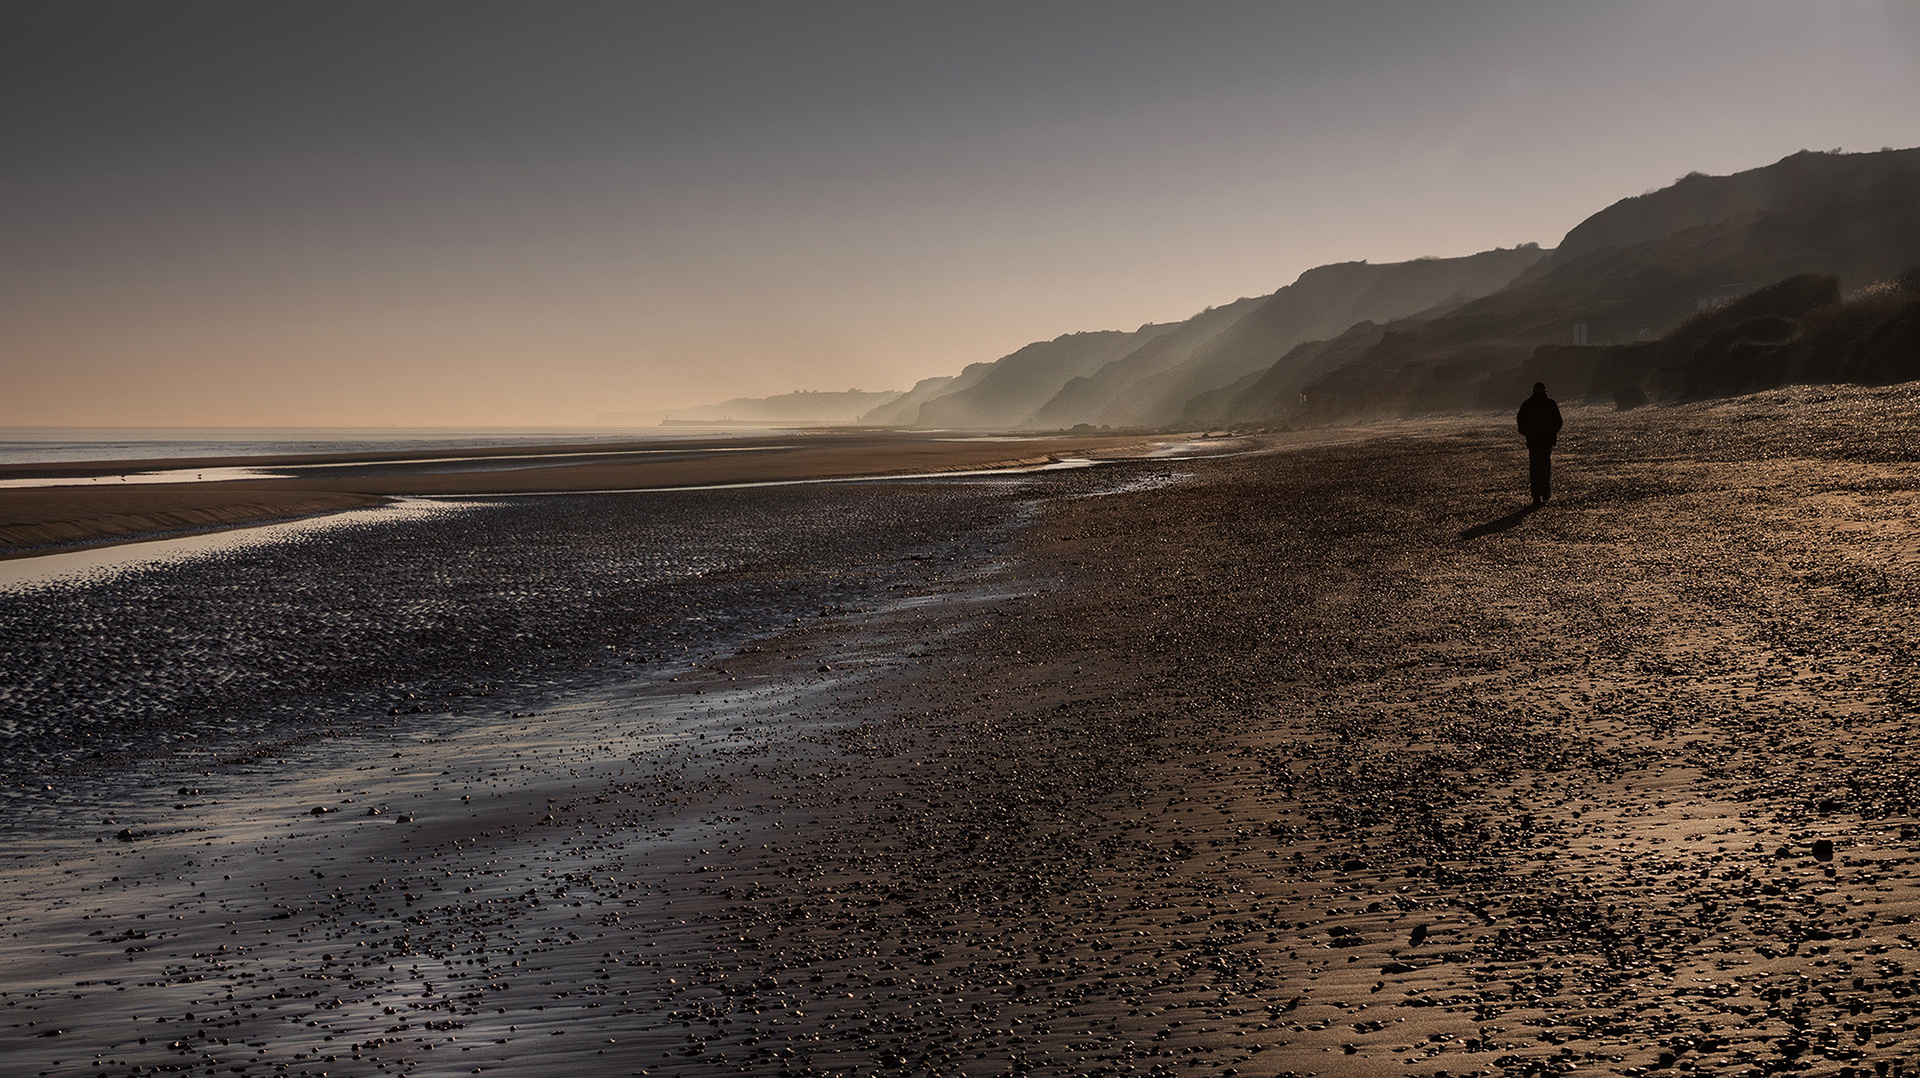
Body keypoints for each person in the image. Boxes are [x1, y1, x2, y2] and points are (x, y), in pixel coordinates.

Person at [1516, 382, 1563, 506]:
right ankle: (1545, 492)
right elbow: (1558, 421)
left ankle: (1535, 495)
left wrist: (1528, 435)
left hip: (1533, 442)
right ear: (1544, 391)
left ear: (1533, 391)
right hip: (1546, 441)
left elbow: (1520, 423)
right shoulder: (1550, 404)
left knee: (1534, 468)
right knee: (1545, 466)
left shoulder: (1527, 404)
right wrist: (1551, 433)